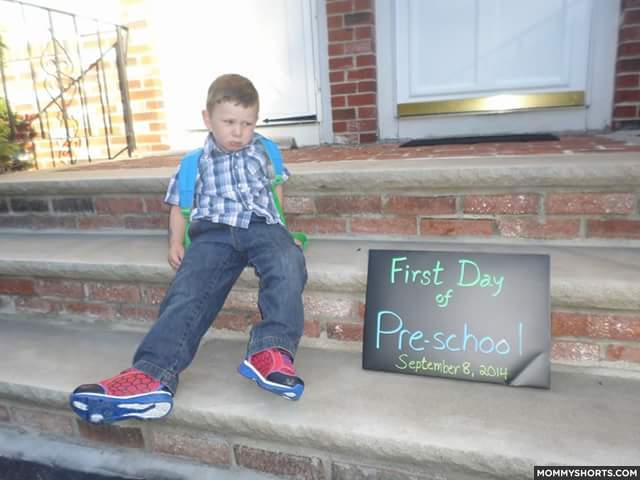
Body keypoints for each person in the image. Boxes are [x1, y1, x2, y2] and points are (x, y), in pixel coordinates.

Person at [69, 74, 307, 425]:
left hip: (262, 227)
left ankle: (270, 350)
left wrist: (280, 229)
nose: (239, 132)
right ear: (207, 119)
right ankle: (152, 375)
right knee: (188, 290)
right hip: (213, 234)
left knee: (289, 263)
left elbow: (276, 191)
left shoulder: (265, 152)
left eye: (247, 124)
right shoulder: (194, 163)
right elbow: (179, 205)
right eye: (229, 122)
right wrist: (175, 242)